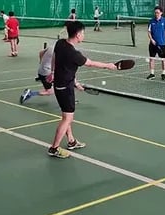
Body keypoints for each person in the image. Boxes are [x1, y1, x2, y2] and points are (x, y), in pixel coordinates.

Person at [47, 21, 118, 159]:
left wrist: (55, 74)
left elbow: (58, 61)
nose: (84, 35)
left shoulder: (60, 43)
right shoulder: (74, 54)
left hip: (61, 84)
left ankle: (71, 141)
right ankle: (54, 148)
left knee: (65, 116)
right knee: (68, 118)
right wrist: (108, 66)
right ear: (78, 35)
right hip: (64, 88)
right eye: (83, 33)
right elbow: (90, 63)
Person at [147, 6, 165, 80]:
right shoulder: (151, 21)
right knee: (152, 59)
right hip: (153, 44)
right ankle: (152, 73)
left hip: (162, 44)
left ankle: (163, 73)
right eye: (155, 13)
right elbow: (149, 32)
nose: (156, 14)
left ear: (161, 13)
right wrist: (151, 39)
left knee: (163, 59)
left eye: (158, 13)